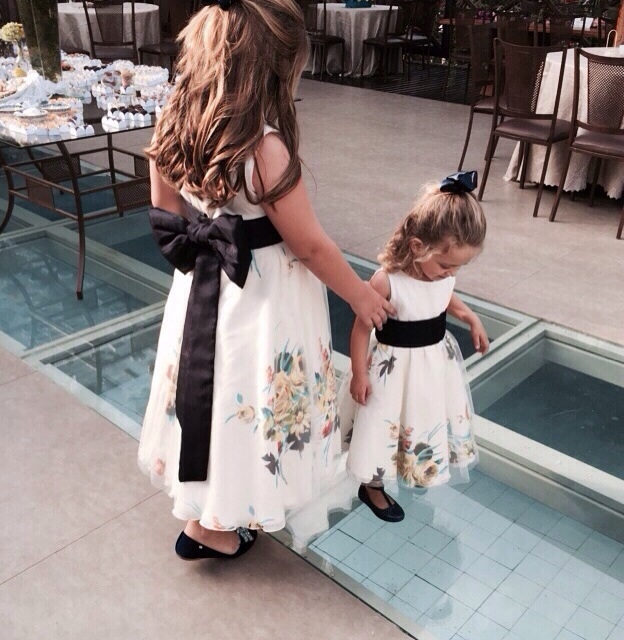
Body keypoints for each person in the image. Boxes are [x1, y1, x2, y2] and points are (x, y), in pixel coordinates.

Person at [138, 0, 395, 559]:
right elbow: (308, 244)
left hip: (206, 283)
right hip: (262, 295)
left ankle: (209, 511)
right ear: (273, 67)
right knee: (251, 393)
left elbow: (164, 210)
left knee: (214, 392)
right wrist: (359, 296)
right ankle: (216, 528)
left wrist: (201, 245)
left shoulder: (172, 120)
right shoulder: (263, 145)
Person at [339, 172, 489, 523]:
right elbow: (361, 329)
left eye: (458, 267)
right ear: (418, 246)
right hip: (392, 370)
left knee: (420, 419)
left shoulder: (442, 276)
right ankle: (372, 486)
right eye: (446, 265)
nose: (450, 273)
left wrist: (470, 316)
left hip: (431, 367)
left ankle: (414, 465)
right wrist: (359, 374)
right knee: (383, 425)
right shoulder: (388, 282)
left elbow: (444, 295)